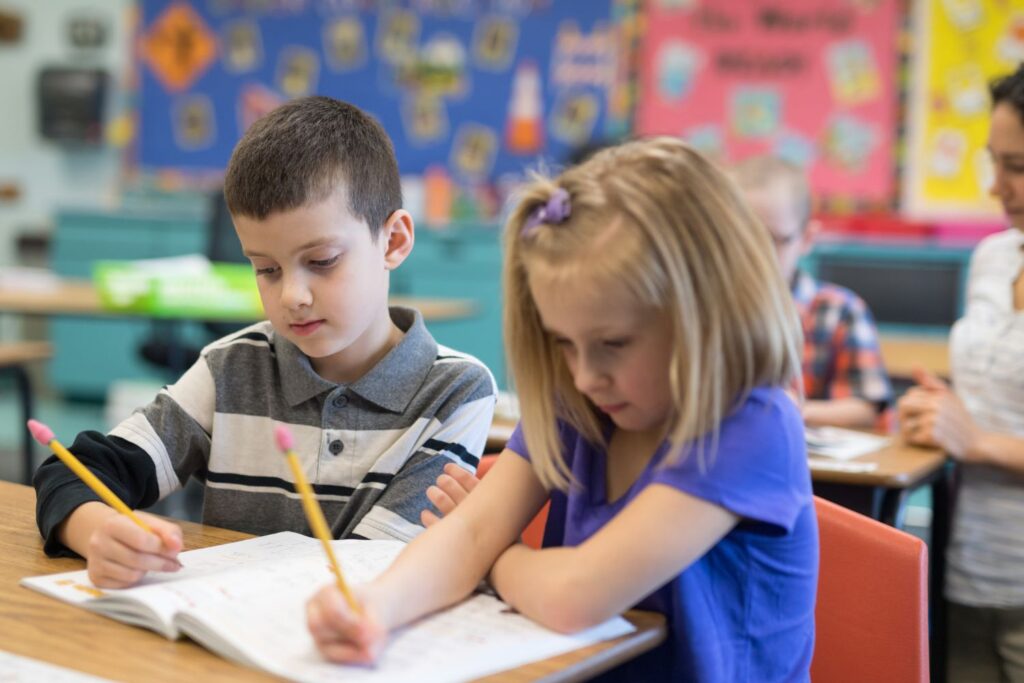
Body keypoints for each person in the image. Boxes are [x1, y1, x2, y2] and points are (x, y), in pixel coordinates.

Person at [305, 137, 819, 681]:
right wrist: (375, 607)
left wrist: (498, 557)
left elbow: (572, 597)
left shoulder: (750, 426)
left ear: (704, 313)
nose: (585, 376)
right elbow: (469, 534)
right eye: (564, 344)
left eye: (614, 343)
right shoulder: (579, 403)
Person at [32, 96, 497, 588]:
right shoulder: (231, 367)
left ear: (394, 241)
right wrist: (99, 532)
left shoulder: (455, 392)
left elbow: (374, 571)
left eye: (322, 261)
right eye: (267, 269)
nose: (292, 296)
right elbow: (74, 473)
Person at [899, 64, 1024, 682]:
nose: (997, 186)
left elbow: (984, 434)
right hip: (969, 570)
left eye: (1017, 166)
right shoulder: (993, 257)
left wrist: (975, 440)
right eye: (992, 162)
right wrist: (937, 410)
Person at [731, 155, 893, 429]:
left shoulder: (839, 310)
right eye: (740, 239)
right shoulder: (709, 309)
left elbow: (867, 408)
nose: (756, 255)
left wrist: (792, 408)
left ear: (807, 238)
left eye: (773, 240)